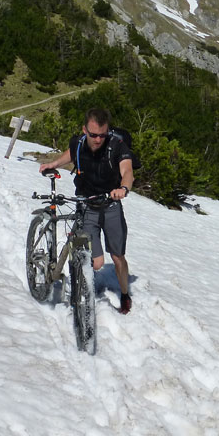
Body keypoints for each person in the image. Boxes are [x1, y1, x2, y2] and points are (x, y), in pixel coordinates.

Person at [39, 108, 135, 314]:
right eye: (93, 135)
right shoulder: (79, 142)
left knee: (118, 256)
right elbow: (72, 153)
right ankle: (82, 288)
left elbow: (127, 170)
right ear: (85, 131)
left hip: (110, 204)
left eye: (102, 135)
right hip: (87, 205)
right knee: (98, 263)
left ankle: (125, 294)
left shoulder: (116, 146)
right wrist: (53, 164)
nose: (98, 139)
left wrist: (124, 188)